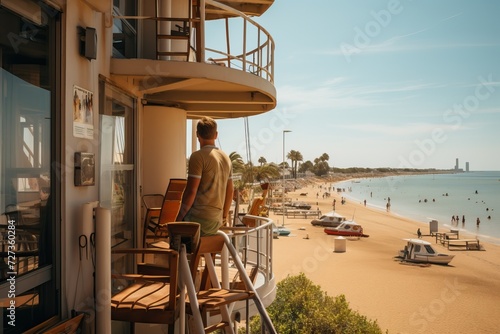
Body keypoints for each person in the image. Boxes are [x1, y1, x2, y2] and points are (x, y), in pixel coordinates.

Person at [176, 117, 234, 236]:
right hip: (216, 220)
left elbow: (191, 191)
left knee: (176, 240)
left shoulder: (197, 157)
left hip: (199, 219)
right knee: (206, 250)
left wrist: (179, 218)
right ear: (216, 135)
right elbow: (230, 191)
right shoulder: (226, 158)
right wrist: (223, 217)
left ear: (197, 134)